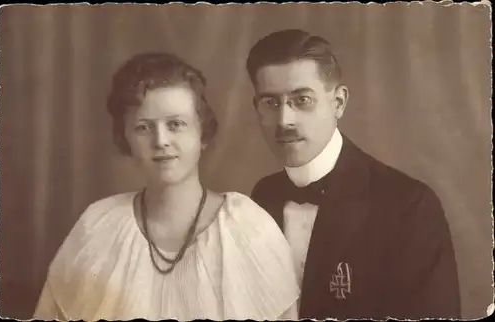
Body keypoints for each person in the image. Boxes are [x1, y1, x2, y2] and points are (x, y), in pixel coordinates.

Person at [33, 52, 299, 320]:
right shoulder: (97, 226)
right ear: (124, 138)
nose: (161, 140)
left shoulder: (248, 227)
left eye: (176, 124)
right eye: (143, 128)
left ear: (202, 134)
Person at [247, 29, 461, 320]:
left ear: (339, 103)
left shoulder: (409, 206)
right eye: (271, 103)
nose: (285, 120)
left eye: (302, 100)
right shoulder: (261, 197)